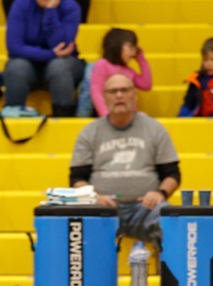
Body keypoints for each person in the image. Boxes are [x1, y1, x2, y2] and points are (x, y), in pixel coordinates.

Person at [69, 75, 181, 244]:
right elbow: (77, 178)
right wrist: (93, 197)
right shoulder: (89, 132)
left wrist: (160, 193)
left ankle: (168, 271)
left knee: (172, 220)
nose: (119, 95)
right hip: (102, 209)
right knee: (75, 221)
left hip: (145, 209)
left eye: (125, 90)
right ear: (104, 97)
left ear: (134, 95)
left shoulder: (154, 128)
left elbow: (172, 174)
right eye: (113, 91)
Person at [1, 0, 84, 118]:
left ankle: (63, 118)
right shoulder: (20, 5)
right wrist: (50, 54)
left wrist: (51, 11)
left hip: (66, 64)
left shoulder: (71, 7)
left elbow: (62, 45)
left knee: (58, 66)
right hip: (28, 65)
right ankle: (11, 117)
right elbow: (14, 48)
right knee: (17, 66)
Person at [87, 28, 151, 118]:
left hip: (129, 118)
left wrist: (141, 58)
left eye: (134, 48)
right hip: (109, 118)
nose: (133, 52)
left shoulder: (128, 71)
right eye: (130, 47)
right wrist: (107, 117)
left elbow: (146, 85)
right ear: (117, 46)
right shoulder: (102, 64)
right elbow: (96, 92)